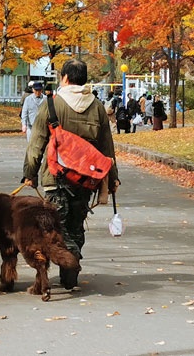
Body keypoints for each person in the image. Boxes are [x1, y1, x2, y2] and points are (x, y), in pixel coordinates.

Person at [23, 59, 119, 291]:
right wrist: (113, 177)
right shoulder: (97, 107)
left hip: (56, 176)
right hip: (87, 178)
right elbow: (107, 146)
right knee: (76, 222)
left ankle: (70, 257)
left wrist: (30, 173)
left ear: (65, 78)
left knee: (56, 225)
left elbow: (36, 143)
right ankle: (70, 273)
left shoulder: (52, 104)